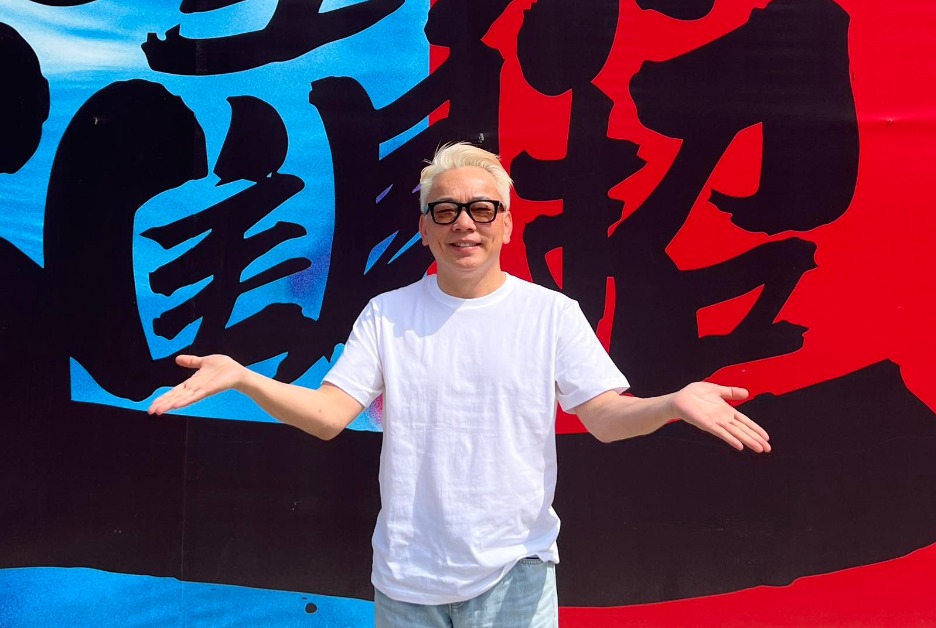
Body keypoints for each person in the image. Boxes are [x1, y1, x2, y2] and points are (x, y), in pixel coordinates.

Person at [148, 142, 771, 627]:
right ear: (425, 228)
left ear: (506, 224)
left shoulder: (551, 314)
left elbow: (605, 417)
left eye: (482, 209)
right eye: (445, 211)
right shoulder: (386, 314)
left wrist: (671, 404)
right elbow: (329, 414)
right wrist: (243, 378)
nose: (464, 224)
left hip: (515, 573)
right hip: (405, 581)